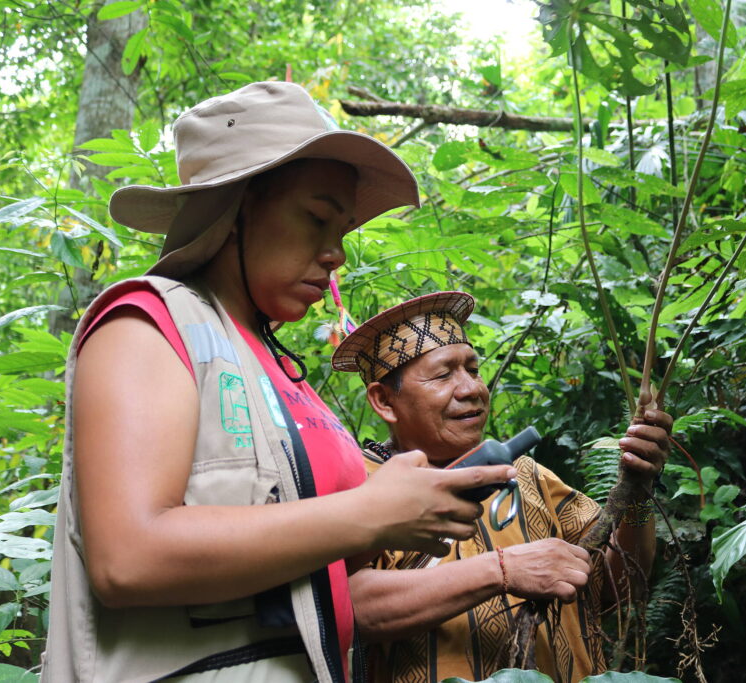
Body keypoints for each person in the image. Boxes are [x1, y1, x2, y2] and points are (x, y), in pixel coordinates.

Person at [42, 83, 518, 683]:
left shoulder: (280, 367)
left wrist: (405, 511)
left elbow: (310, 575)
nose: (336, 253)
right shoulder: (150, 324)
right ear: (235, 209)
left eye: (342, 228)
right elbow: (129, 558)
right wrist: (369, 512)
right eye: (317, 217)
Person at [331, 291, 674, 683]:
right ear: (384, 401)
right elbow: (341, 606)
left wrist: (638, 492)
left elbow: (621, 586)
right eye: (443, 375)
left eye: (473, 370)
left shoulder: (527, 476)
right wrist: (502, 570)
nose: (471, 389)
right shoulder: (356, 486)